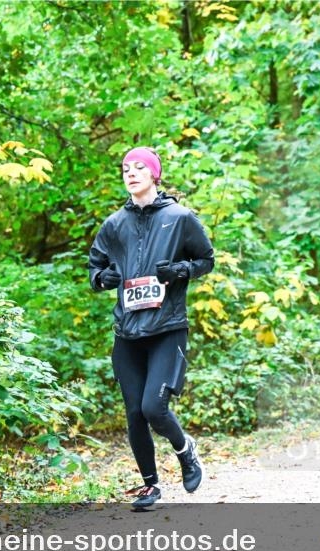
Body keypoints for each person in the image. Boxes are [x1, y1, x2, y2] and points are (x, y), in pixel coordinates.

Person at [87, 146, 215, 509]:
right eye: (125, 168)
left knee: (153, 408)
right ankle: (150, 486)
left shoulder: (179, 217)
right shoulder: (114, 224)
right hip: (127, 331)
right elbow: (94, 269)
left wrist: (181, 271)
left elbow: (205, 259)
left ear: (154, 174)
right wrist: (103, 278)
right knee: (133, 413)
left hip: (167, 327)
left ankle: (185, 449)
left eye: (139, 167)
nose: (130, 172)